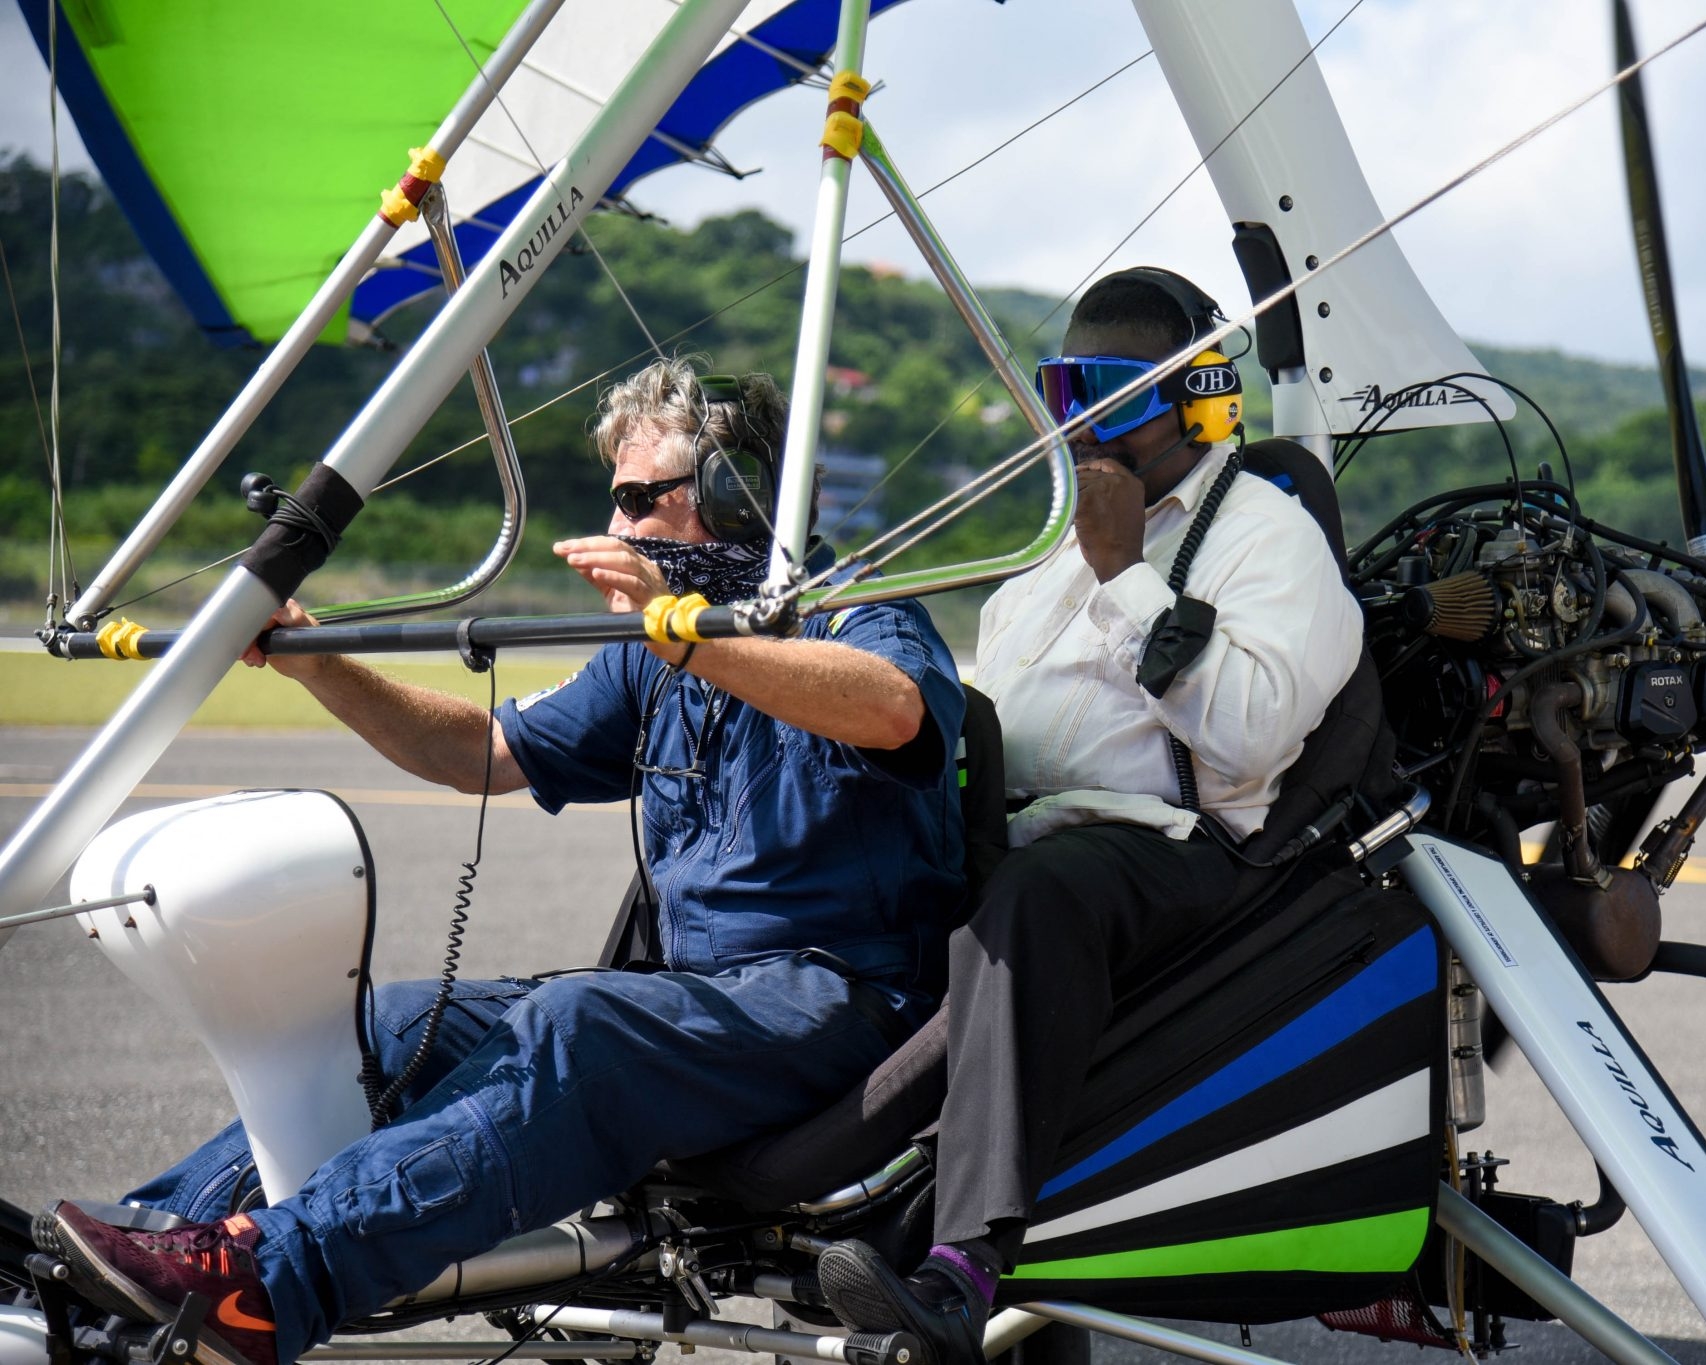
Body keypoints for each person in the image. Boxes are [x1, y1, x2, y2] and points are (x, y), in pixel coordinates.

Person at [39, 360, 968, 1365]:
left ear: (728, 496)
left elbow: (892, 708)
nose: (614, 533)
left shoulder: (861, 611)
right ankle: (135, 1248)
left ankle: (271, 1279)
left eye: (634, 501)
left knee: (579, 1026)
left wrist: (685, 637)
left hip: (838, 1006)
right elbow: (479, 754)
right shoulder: (652, 654)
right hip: (707, 1003)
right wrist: (317, 660)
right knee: (396, 1023)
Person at [816, 268, 1364, 1364]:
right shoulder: (1036, 562)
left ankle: (963, 1256)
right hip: (1022, 838)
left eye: (1113, 394)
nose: (1080, 424)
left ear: (1202, 398)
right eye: (1064, 390)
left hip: (1177, 851)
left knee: (1039, 893)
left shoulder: (1266, 537)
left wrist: (1125, 572)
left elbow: (1251, 733)